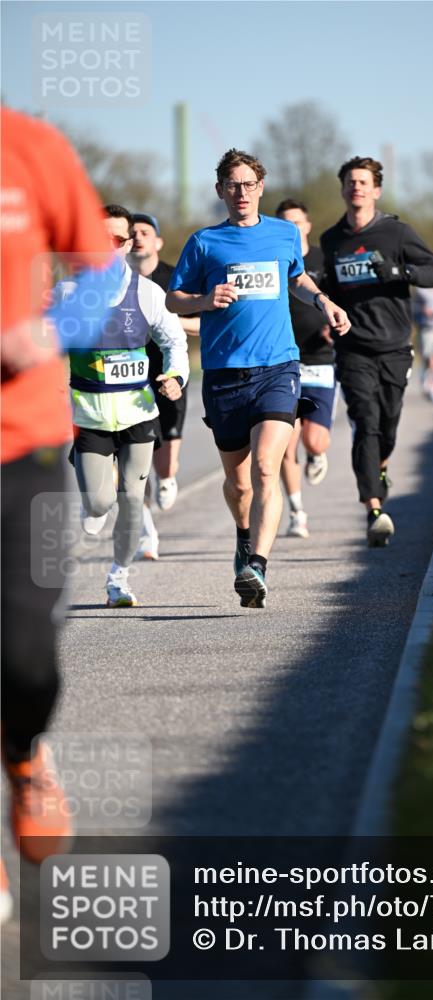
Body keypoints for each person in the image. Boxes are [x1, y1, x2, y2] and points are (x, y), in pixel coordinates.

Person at [1, 107, 112, 918]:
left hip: (25, 442)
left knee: (27, 655)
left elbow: (101, 276)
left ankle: (24, 753)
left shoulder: (31, 148)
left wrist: (49, 334)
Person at [166, 149, 350, 608]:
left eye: (249, 184)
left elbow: (297, 279)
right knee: (240, 484)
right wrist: (204, 300)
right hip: (224, 373)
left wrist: (323, 301)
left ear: (261, 188)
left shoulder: (284, 234)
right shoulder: (204, 242)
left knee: (268, 466)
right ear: (220, 190)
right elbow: (173, 300)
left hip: (278, 367)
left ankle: (258, 566)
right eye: (233, 185)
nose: (241, 192)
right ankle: (243, 536)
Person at [62, 204, 189, 608]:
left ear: (127, 244)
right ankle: (92, 495)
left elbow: (175, 342)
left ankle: (119, 578)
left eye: (117, 239)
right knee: (99, 502)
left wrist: (176, 376)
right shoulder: (68, 294)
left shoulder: (148, 293)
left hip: (138, 412)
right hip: (89, 414)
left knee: (133, 501)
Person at [320, 156, 433, 546]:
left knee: (388, 425)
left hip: (394, 346)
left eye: (363, 182)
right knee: (366, 421)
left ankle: (381, 468)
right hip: (352, 347)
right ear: (343, 190)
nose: (356, 187)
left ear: (375, 190)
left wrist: (401, 272)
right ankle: (374, 508)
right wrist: (325, 312)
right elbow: (328, 289)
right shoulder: (331, 240)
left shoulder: (397, 233)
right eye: (350, 182)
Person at [129, 212, 200, 559]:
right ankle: (147, 533)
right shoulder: (117, 280)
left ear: (158, 241)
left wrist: (166, 321)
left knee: (165, 460)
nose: (137, 237)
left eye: (145, 232)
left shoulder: (175, 279)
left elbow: (203, 324)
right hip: (129, 379)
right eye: (132, 232)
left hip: (168, 375)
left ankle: (168, 477)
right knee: (133, 462)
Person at [276, 199, 336, 539]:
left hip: (321, 358)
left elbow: (340, 299)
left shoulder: (322, 260)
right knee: (287, 444)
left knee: (314, 441)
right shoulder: (273, 260)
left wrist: (333, 326)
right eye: (285, 223)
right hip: (284, 361)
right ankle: (297, 512)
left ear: (308, 226)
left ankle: (316, 455)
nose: (292, 228)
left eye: (297, 222)